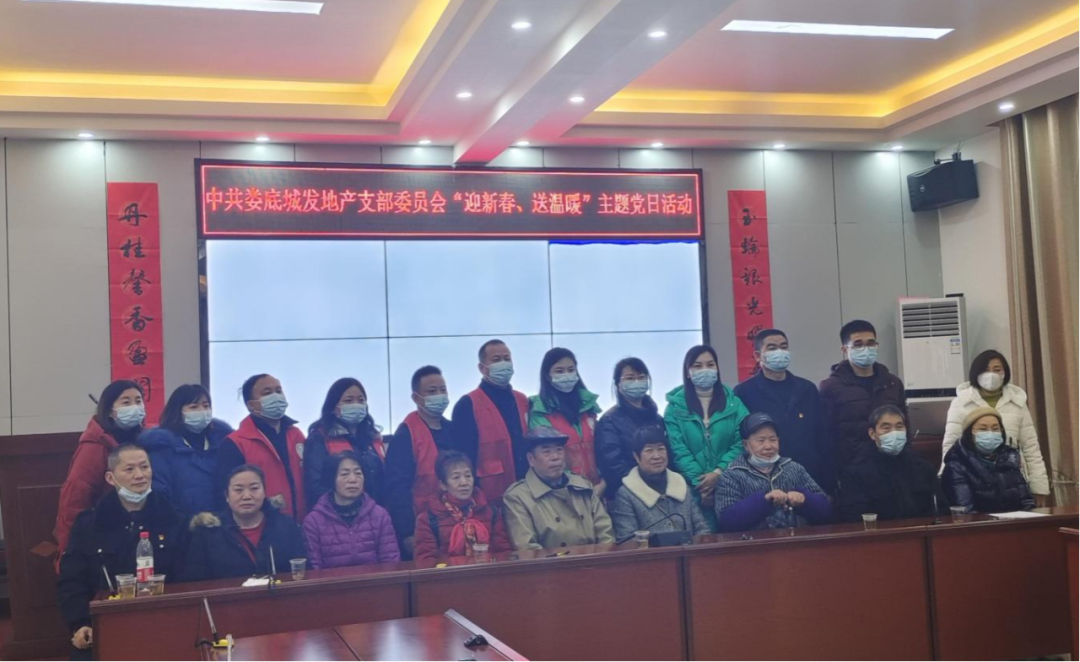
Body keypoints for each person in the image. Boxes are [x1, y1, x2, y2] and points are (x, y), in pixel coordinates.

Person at [57, 445, 186, 662]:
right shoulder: (89, 525)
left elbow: (188, 576)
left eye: (145, 467)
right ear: (110, 477)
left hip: (163, 619)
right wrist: (80, 623)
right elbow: (72, 581)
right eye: (129, 469)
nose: (140, 475)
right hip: (106, 621)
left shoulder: (174, 520)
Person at [941, 350, 1050, 506]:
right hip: (972, 480)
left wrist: (1039, 487)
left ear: (1005, 373)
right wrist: (950, 481)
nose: (991, 374)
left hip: (1013, 480)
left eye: (997, 369)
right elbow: (950, 446)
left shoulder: (1018, 402)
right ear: (976, 372)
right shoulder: (960, 403)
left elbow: (1031, 448)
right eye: (985, 369)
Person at [55, 380, 147, 558]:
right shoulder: (95, 447)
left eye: (138, 401)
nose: (134, 407)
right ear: (109, 409)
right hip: (105, 534)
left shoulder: (146, 440)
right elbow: (75, 499)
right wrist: (68, 553)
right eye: (126, 402)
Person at [734, 329, 833, 492]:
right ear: (758, 356)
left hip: (809, 476)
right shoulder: (744, 392)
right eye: (772, 348)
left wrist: (828, 484)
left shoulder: (806, 389)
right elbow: (740, 441)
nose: (779, 352)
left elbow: (822, 436)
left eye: (783, 347)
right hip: (765, 480)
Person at [664, 345, 749, 524]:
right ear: (688, 372)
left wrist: (719, 473)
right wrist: (702, 485)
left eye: (710, 365)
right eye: (697, 366)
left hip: (732, 486)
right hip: (692, 491)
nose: (705, 370)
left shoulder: (735, 404)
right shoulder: (674, 409)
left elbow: (743, 441)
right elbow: (678, 450)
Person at [383, 366, 459, 557]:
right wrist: (408, 532)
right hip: (423, 526)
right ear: (416, 398)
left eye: (443, 390)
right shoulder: (405, 435)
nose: (439, 395)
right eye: (432, 391)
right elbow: (397, 488)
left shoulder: (454, 430)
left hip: (457, 522)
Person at [185, 464, 307, 581]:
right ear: (227, 496)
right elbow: (195, 581)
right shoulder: (208, 532)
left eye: (254, 489)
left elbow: (302, 570)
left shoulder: (287, 527)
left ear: (264, 492)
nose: (247, 496)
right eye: (238, 490)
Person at [714, 413, 832, 533]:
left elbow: (827, 511)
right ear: (746, 445)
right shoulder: (731, 476)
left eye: (773, 440)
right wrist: (764, 500)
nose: (768, 446)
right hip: (753, 544)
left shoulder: (794, 468)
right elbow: (726, 522)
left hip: (797, 541)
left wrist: (805, 499)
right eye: (761, 441)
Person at [503, 427, 615, 551]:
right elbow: (528, 549)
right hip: (551, 563)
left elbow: (606, 534)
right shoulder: (518, 497)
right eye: (547, 452)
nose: (555, 457)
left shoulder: (583, 486)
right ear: (531, 459)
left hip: (594, 560)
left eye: (559, 450)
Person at [819, 320, 906, 475]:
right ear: (844, 349)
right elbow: (826, 435)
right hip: (852, 470)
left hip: (893, 465)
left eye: (871, 343)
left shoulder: (892, 383)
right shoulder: (831, 387)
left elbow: (905, 425)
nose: (866, 349)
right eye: (858, 344)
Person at [216, 374, 306, 521]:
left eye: (278, 391)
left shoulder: (297, 435)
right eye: (267, 393)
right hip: (261, 525)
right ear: (251, 405)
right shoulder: (235, 443)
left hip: (302, 523)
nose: (276, 396)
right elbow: (225, 493)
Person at [451, 339, 529, 504]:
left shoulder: (523, 401)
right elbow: (463, 458)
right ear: (482, 368)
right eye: (496, 359)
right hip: (489, 499)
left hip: (529, 493)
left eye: (507, 359)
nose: (503, 363)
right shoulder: (468, 405)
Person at [838, 406, 945, 522]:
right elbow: (855, 517)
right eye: (886, 428)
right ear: (872, 433)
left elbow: (942, 508)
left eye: (899, 427)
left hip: (922, 530)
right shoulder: (856, 472)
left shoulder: (922, 467)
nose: (894, 433)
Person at [140, 384, 233, 517]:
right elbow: (161, 494)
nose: (202, 411)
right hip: (180, 525)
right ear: (178, 411)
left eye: (206, 406)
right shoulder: (161, 448)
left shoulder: (224, 444)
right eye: (194, 407)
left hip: (225, 523)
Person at [609, 426, 711, 541]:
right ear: (636, 456)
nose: (657, 456)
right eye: (649, 450)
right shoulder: (626, 494)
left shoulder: (681, 484)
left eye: (661, 449)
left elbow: (702, 528)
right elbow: (627, 540)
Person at [302, 451, 399, 569]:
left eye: (358, 473)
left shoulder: (380, 516)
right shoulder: (313, 522)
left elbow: (390, 562)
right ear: (332, 479)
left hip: (375, 580)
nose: (353, 479)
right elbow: (314, 568)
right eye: (344, 474)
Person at [303, 378, 385, 512]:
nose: (356, 404)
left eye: (361, 400)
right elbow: (314, 486)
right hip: (337, 517)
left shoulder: (373, 438)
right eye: (348, 400)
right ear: (333, 407)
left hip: (377, 515)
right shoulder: (319, 438)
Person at [528, 348, 604, 492]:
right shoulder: (540, 412)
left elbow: (603, 449)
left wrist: (604, 484)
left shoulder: (589, 408)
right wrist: (579, 489)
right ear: (547, 375)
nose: (566, 375)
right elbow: (547, 457)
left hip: (599, 490)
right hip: (564, 492)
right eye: (559, 371)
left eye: (571, 370)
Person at [413, 451, 511, 561]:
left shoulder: (491, 512)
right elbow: (425, 560)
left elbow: (504, 552)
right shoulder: (428, 519)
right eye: (456, 477)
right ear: (443, 485)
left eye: (468, 476)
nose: (464, 482)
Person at [942, 407, 1036, 514]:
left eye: (995, 429)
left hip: (1015, 522)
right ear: (969, 433)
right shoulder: (957, 465)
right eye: (983, 429)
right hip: (982, 523)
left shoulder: (1010, 457)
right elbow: (966, 511)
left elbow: (1026, 501)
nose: (990, 433)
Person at [596, 357, 667, 496]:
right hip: (628, 495)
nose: (636, 382)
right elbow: (612, 465)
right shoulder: (609, 420)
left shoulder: (657, 419)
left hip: (662, 490)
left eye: (641, 377)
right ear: (618, 384)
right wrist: (642, 489)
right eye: (630, 378)